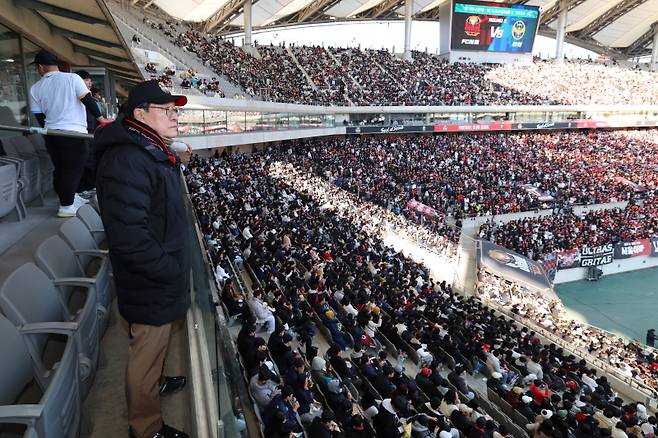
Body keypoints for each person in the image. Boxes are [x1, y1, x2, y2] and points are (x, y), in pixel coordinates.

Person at [94, 79, 192, 438]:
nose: (175, 116)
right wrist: (169, 269)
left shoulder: (146, 148)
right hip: (151, 279)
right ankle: (146, 428)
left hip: (156, 277)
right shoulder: (129, 158)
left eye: (175, 109)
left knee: (155, 349)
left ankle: (154, 384)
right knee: (145, 354)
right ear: (140, 114)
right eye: (166, 110)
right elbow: (129, 236)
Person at [29, 50, 109, 217]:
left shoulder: (35, 87)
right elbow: (87, 100)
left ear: (41, 67)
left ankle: (70, 199)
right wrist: (102, 120)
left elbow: (39, 116)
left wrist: (50, 128)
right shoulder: (73, 78)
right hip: (74, 134)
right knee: (72, 170)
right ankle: (66, 206)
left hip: (52, 133)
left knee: (61, 168)